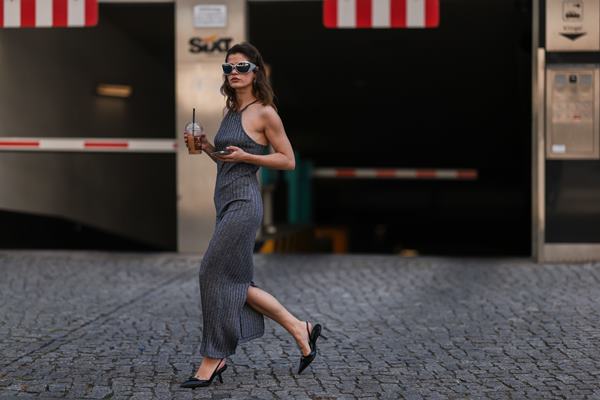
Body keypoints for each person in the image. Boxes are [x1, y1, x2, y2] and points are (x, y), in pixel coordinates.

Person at [180, 42, 327, 389]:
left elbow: (287, 159)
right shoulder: (231, 111)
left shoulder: (265, 112)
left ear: (256, 72)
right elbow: (227, 158)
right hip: (225, 201)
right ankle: (300, 328)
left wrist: (249, 157)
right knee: (238, 283)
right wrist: (207, 150)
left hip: (245, 203)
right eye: (228, 68)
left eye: (242, 67)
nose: (234, 73)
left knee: (211, 272)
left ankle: (213, 358)